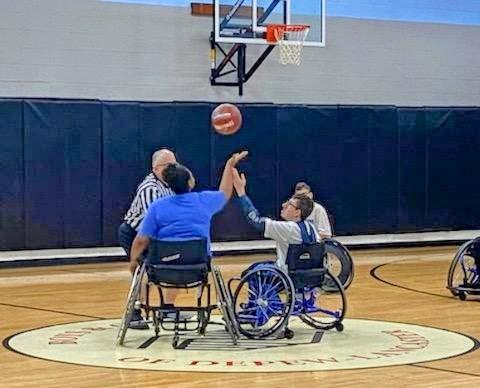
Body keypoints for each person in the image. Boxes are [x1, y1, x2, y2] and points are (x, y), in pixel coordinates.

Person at [129, 150, 248, 274]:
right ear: (190, 182)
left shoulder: (157, 206)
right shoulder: (203, 201)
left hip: (166, 263)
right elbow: (225, 193)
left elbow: (141, 240)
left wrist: (133, 261)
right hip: (198, 262)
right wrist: (229, 165)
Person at [118, 148, 176, 329]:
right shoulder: (149, 188)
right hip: (136, 233)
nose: (174, 169)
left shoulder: (173, 184)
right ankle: (134, 312)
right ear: (156, 168)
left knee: (176, 266)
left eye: (175, 165)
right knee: (142, 271)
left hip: (161, 235)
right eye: (169, 166)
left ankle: (167, 308)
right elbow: (155, 221)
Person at [232, 170, 319, 271]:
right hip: (308, 275)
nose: (283, 205)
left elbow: (256, 222)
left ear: (297, 212)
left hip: (288, 274)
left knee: (252, 271)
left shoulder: (290, 228)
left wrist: (241, 192)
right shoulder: (311, 227)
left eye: (289, 204)